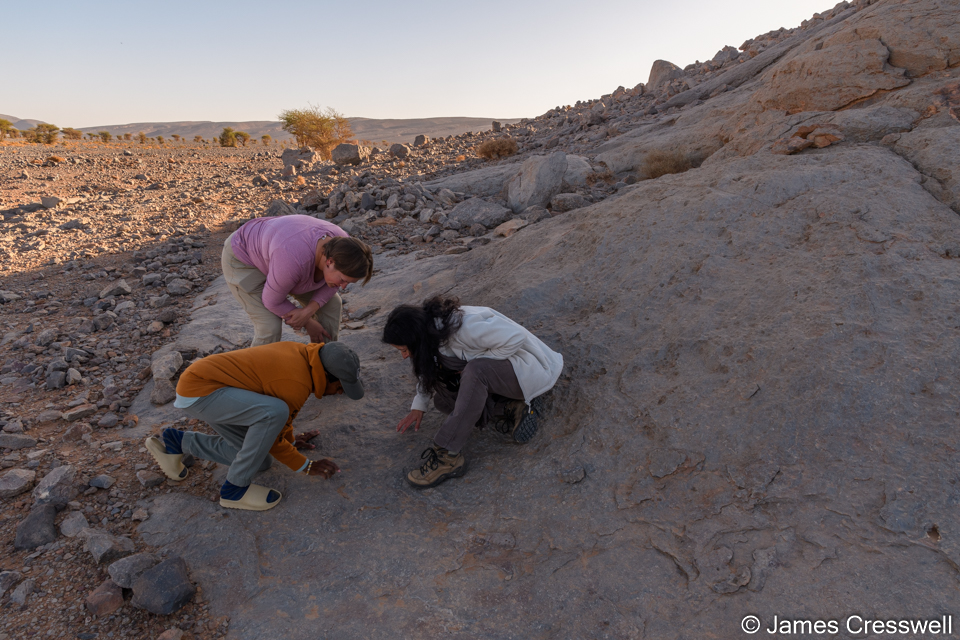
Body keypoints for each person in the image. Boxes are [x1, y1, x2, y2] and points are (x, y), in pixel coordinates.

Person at [144, 340, 364, 511]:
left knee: (260, 460)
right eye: (340, 386)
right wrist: (305, 466)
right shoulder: (296, 383)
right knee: (274, 412)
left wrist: (291, 441)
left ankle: (177, 442)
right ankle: (234, 490)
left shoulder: (305, 358)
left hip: (218, 388)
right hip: (203, 391)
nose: (340, 392)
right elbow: (275, 419)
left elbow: (279, 426)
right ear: (326, 375)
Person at [383, 296, 563, 488]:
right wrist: (419, 405)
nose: (404, 356)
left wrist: (476, 362)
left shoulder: (464, 327)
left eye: (403, 349)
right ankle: (512, 407)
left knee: (476, 371)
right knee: (443, 402)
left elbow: (516, 337)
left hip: (530, 369)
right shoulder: (428, 333)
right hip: (504, 377)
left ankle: (448, 456)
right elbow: (427, 369)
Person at [222, 214, 373, 346]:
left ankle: (325, 364)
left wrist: (309, 310)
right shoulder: (293, 260)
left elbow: (332, 285)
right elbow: (272, 301)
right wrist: (307, 322)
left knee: (332, 304)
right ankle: (255, 376)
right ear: (329, 262)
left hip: (278, 255)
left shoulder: (345, 246)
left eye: (348, 282)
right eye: (342, 280)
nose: (343, 287)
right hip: (243, 257)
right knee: (270, 327)